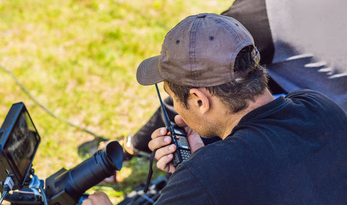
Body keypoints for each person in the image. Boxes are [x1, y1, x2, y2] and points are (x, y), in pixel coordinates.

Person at [54, 13, 347, 205]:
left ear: (198, 100)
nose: (177, 110)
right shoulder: (320, 107)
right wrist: (203, 158)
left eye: (173, 98)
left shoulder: (209, 175)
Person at [121, 0, 347, 158]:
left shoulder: (260, 16)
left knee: (220, 112)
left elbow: (188, 87)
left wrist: (132, 146)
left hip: (322, 129)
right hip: (329, 114)